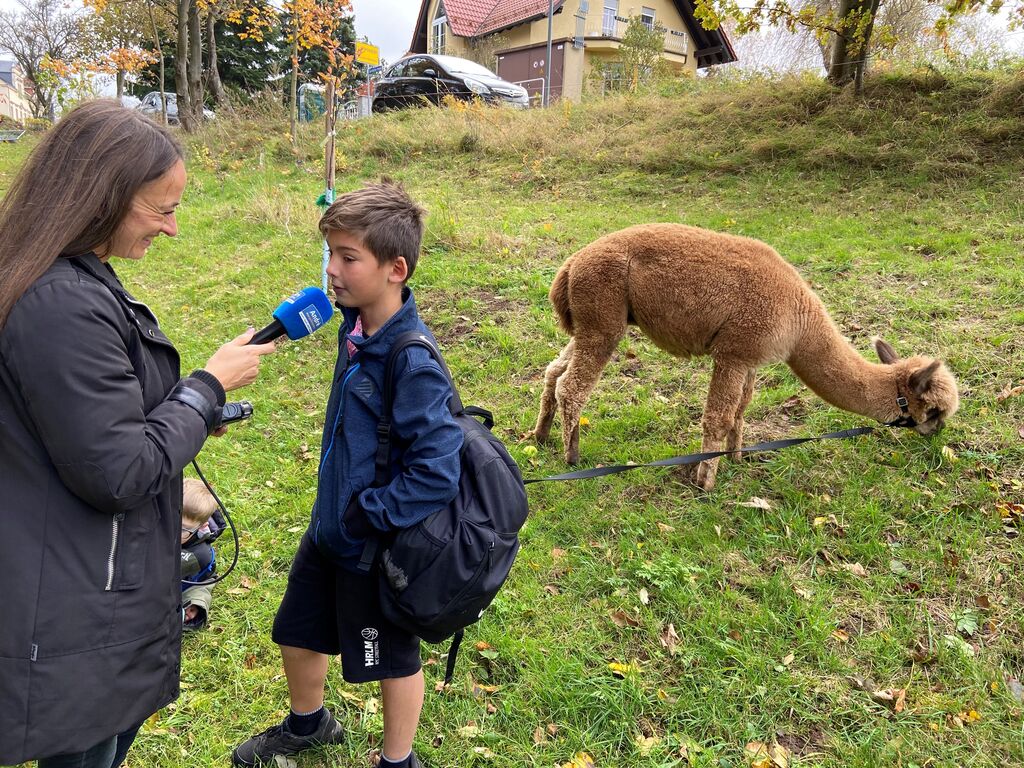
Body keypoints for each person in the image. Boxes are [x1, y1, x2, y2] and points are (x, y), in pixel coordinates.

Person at [0, 100, 276, 767]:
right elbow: (119, 471)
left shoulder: (65, 280)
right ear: (102, 197)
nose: (173, 229)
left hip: (79, 579)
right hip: (77, 601)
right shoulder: (61, 304)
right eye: (163, 209)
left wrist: (187, 415)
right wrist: (206, 388)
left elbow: (85, 425)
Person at [232, 180, 463, 768]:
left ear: (396, 269)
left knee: (390, 659)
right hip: (329, 527)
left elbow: (438, 471)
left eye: (347, 257)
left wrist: (367, 515)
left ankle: (398, 760)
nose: (331, 270)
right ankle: (309, 725)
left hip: (369, 542)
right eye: (329, 253)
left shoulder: (411, 360)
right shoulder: (355, 328)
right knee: (297, 630)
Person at [180, 478, 223, 631]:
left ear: (202, 526)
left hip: (185, 582)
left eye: (183, 529)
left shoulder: (199, 555)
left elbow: (157, 573)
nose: (172, 532)